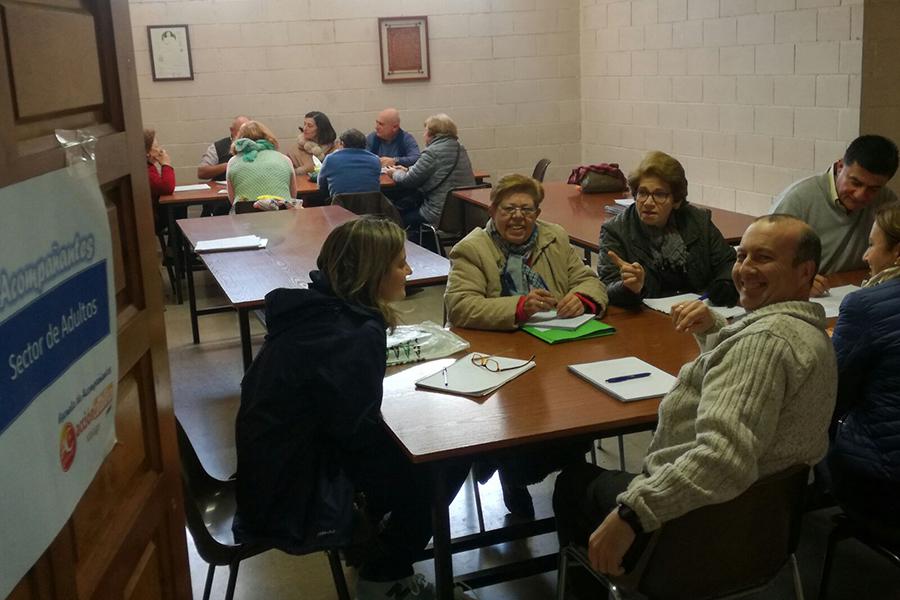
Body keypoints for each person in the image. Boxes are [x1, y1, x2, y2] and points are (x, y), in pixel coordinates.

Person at [554, 215, 836, 589]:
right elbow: (753, 383)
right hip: (764, 533)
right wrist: (718, 330)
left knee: (573, 483)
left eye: (764, 258)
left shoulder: (764, 343)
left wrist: (633, 514)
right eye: (741, 256)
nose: (745, 269)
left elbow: (722, 459)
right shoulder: (811, 335)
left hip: (696, 535)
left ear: (806, 272)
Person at [233, 217, 471, 600]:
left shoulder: (318, 311)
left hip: (271, 467)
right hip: (299, 486)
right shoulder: (355, 332)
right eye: (399, 263)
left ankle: (376, 544)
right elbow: (353, 433)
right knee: (446, 459)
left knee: (416, 450)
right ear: (372, 273)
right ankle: (384, 574)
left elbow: (341, 410)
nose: (408, 271)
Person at [445, 174, 608, 516]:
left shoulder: (554, 237)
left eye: (527, 209)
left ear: (537, 212)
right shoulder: (472, 248)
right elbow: (460, 307)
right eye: (509, 209)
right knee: (519, 422)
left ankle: (573, 487)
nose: (518, 217)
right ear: (492, 210)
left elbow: (589, 280)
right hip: (496, 360)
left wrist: (581, 298)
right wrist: (518, 306)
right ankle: (511, 477)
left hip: (556, 351)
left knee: (576, 415)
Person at [826, 202, 900, 543]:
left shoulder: (865, 306)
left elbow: (831, 396)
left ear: (897, 252)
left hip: (882, 486)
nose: (866, 256)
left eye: (872, 244)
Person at [597, 151, 737, 308]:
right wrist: (630, 288)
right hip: (647, 318)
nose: (648, 202)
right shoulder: (615, 231)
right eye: (642, 193)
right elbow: (606, 288)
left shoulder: (698, 221)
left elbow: (729, 262)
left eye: (659, 194)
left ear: (676, 200)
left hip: (697, 311)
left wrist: (724, 284)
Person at [771, 134, 899, 296]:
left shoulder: (886, 201)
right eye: (855, 183)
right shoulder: (797, 200)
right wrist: (794, 282)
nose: (860, 194)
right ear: (840, 167)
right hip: (803, 294)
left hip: (855, 291)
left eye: (873, 189)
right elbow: (765, 260)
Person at [386, 113, 475, 233]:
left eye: (425, 131)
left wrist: (394, 173)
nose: (423, 135)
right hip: (464, 214)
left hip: (438, 214)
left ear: (432, 134)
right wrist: (407, 170)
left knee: (399, 217)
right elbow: (434, 170)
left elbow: (408, 181)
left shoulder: (432, 152)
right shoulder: (460, 148)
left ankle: (420, 249)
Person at [226, 120, 297, 210]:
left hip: (245, 218)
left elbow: (232, 200)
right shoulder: (285, 159)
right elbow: (293, 195)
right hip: (283, 217)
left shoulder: (233, 162)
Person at [317, 129, 382, 198]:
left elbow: (321, 184)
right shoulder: (375, 160)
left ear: (342, 143)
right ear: (365, 145)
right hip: (370, 206)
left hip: (339, 206)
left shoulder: (330, 159)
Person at [144, 128, 183, 233]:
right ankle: (175, 247)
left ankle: (175, 246)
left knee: (179, 207)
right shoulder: (144, 171)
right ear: (147, 152)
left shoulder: (149, 166)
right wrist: (166, 164)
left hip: (155, 211)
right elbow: (167, 187)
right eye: (156, 147)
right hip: (150, 217)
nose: (160, 150)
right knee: (177, 208)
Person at [197, 114, 250, 182]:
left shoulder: (257, 145)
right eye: (241, 131)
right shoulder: (217, 147)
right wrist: (228, 165)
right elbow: (202, 172)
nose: (244, 135)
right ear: (232, 130)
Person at [288, 110, 337, 176]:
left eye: (310, 126)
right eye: (304, 124)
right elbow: (288, 174)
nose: (305, 128)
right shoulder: (295, 150)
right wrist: (304, 170)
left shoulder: (335, 149)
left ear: (320, 129)